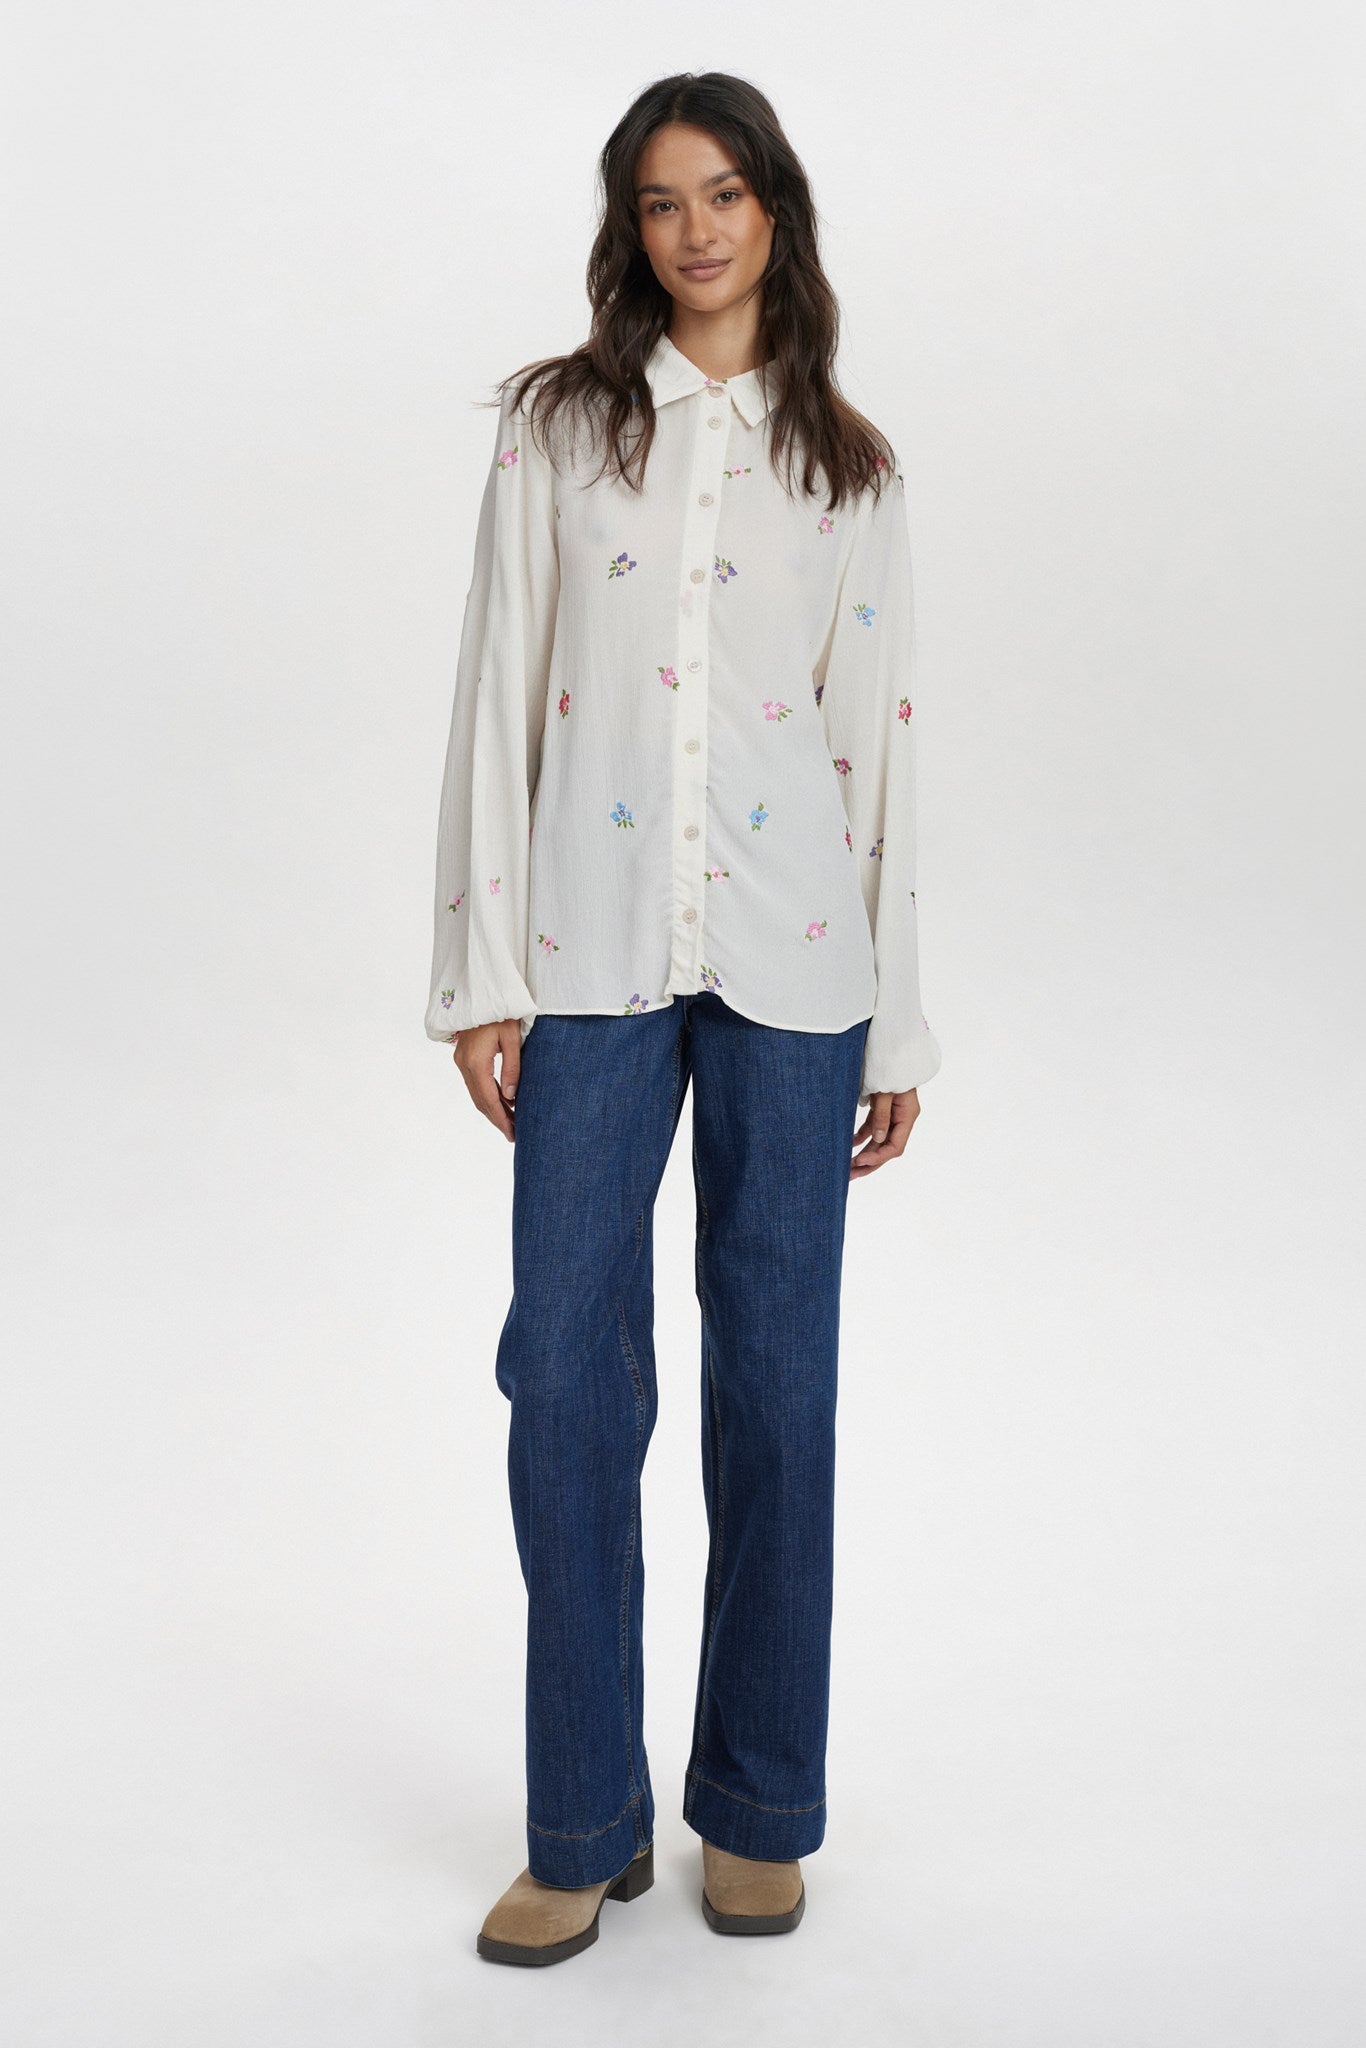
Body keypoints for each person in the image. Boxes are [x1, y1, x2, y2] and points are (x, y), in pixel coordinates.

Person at [424, 70, 942, 1967]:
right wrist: (480, 973)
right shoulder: (558, 431)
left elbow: (877, 746)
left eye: (723, 195)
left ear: (773, 213)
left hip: (798, 970)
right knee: (563, 1375)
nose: (695, 230)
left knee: (776, 1388)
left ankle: (758, 1804)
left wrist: (895, 1026)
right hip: (585, 955)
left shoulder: (847, 466)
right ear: (628, 230)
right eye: (660, 202)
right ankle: (581, 1822)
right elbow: (499, 685)